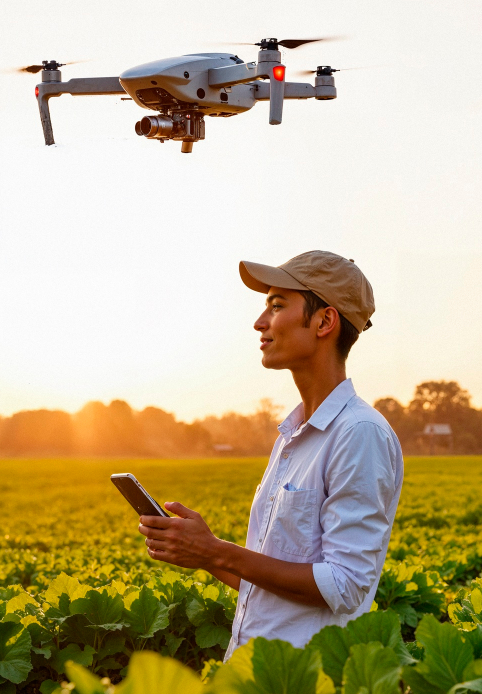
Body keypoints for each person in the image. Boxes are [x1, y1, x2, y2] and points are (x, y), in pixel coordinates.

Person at [139, 250, 403, 655]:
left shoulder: (359, 433)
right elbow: (272, 581)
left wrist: (217, 551)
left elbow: (344, 585)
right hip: (251, 672)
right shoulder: (292, 434)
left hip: (301, 687)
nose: (260, 322)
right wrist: (204, 554)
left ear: (324, 321)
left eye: (277, 306)